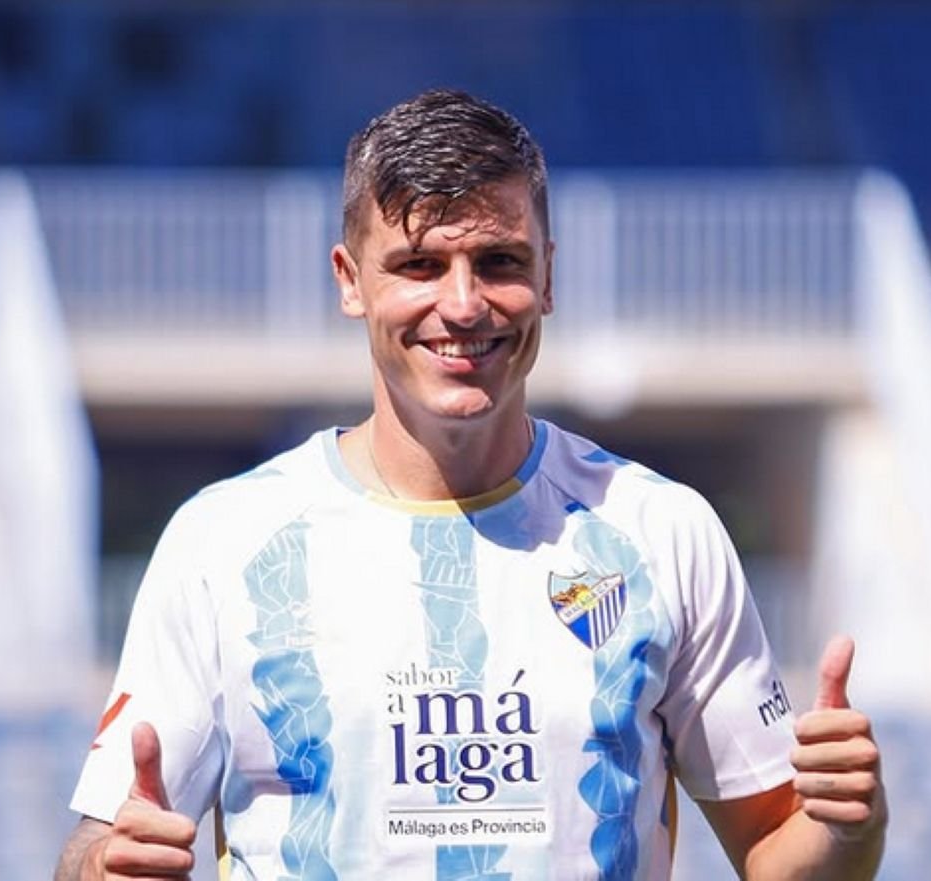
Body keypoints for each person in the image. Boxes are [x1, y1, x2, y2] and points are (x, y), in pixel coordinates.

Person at [55, 88, 887, 880]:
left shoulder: (661, 531)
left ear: (548, 276)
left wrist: (849, 824)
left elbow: (778, 850)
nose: (463, 305)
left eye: (498, 261)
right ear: (350, 279)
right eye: (419, 264)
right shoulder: (224, 542)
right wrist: (107, 866)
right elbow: (97, 846)